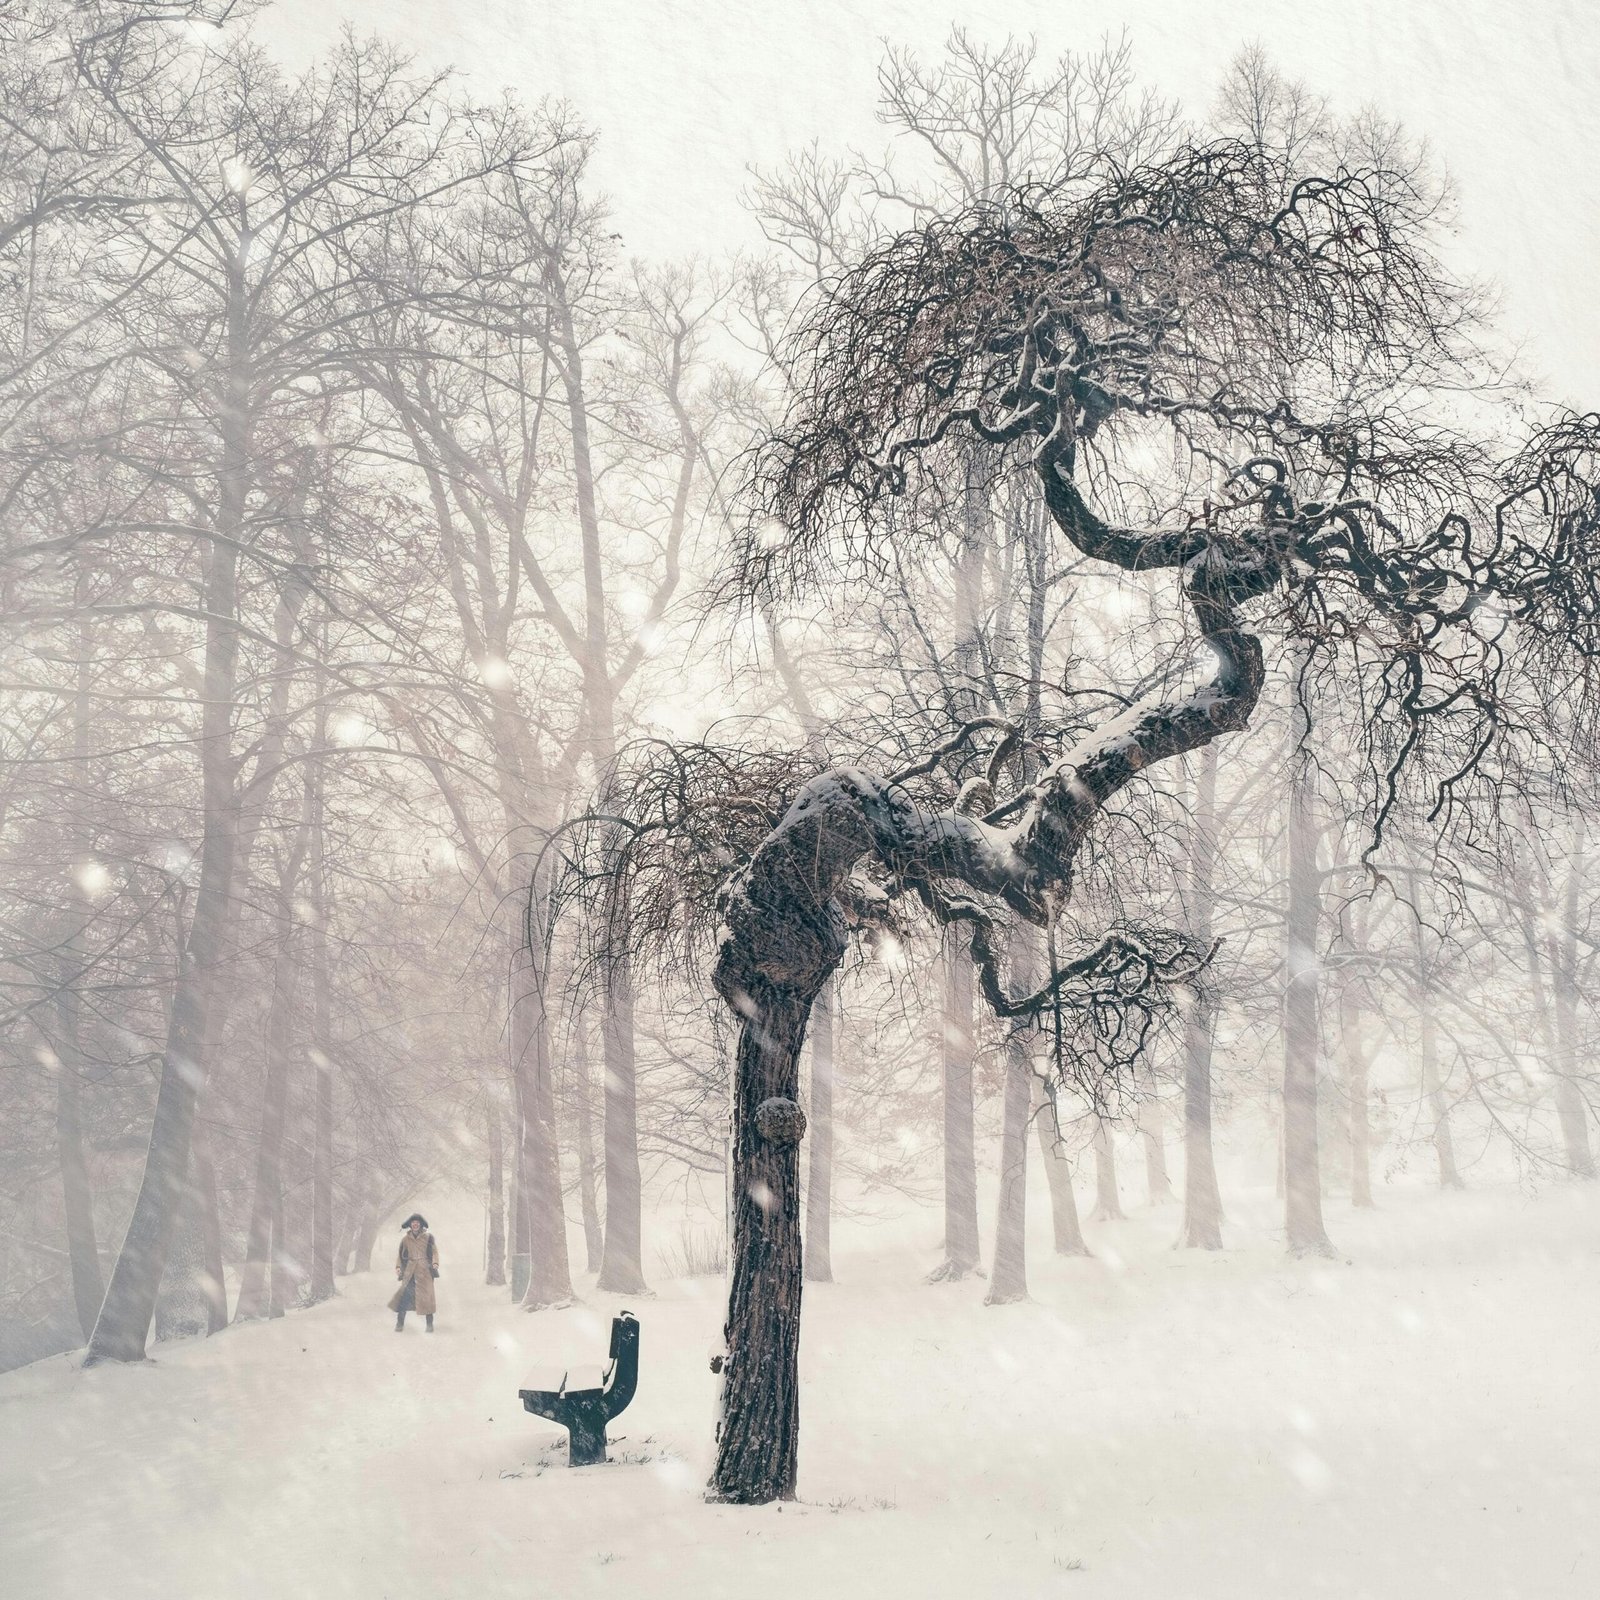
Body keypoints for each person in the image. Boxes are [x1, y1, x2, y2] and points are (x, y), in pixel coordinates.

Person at [388, 1213, 440, 1332]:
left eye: (417, 1223)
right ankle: (399, 1324)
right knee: (404, 1297)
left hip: (425, 1272)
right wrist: (398, 1267)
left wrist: (435, 1263)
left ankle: (429, 1325)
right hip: (410, 1272)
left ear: (421, 1225)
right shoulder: (405, 1239)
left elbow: (435, 1252)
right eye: (413, 1223)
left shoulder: (428, 1237)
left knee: (427, 1298)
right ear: (410, 1225)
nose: (415, 1225)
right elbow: (400, 1255)